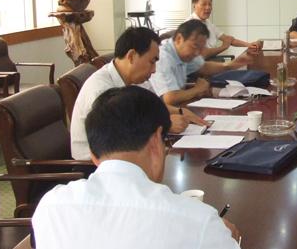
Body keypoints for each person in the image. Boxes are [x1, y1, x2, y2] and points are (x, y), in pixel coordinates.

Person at [32, 86, 281, 249]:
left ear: (94, 156)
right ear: (156, 142)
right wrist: (223, 240)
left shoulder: (51, 206)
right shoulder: (191, 220)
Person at [70, 27, 207, 160]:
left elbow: (150, 106)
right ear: (131, 56)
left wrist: (180, 111)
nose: (154, 70)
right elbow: (118, 134)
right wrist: (167, 124)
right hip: (94, 165)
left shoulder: (132, 78)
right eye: (152, 62)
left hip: (123, 153)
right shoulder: (101, 89)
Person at [150, 19, 250, 106]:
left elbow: (203, 66)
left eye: (201, 48)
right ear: (179, 39)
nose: (197, 53)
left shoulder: (183, 53)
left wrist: (230, 65)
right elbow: (169, 98)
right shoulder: (164, 57)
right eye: (195, 46)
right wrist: (197, 89)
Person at [190, 0, 260, 59]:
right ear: (194, 6)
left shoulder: (207, 23)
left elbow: (228, 39)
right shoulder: (190, 25)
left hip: (211, 61)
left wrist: (249, 45)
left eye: (210, 4)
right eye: (204, 4)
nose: (208, 7)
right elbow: (203, 54)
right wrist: (223, 47)